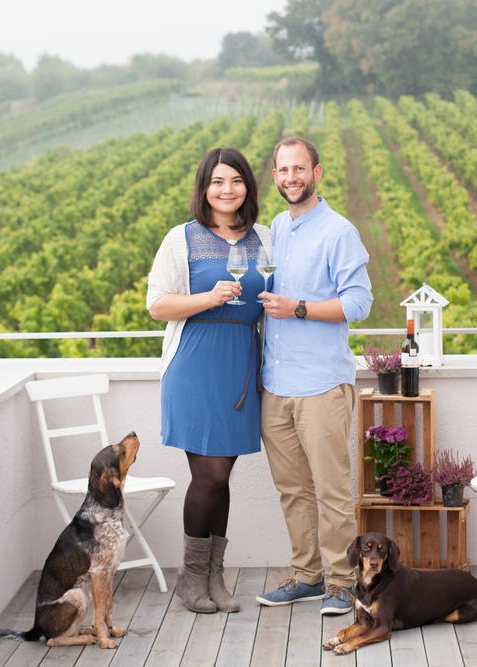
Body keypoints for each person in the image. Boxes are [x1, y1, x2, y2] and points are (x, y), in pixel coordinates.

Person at [147, 147, 272, 613]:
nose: (226, 190)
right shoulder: (180, 238)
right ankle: (192, 577)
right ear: (204, 188)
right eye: (217, 181)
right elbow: (157, 305)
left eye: (235, 180)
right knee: (210, 473)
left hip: (240, 365)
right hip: (195, 364)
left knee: (222, 479)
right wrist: (207, 297)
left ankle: (215, 578)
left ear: (247, 187)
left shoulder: (266, 239)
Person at [255, 137, 373, 615]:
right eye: (283, 170)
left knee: (330, 490)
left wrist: (298, 308)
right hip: (276, 386)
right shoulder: (276, 229)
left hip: (322, 384)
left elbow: (359, 303)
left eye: (299, 169)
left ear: (317, 172)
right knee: (293, 490)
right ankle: (307, 576)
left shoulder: (339, 231)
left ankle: (343, 584)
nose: (290, 178)